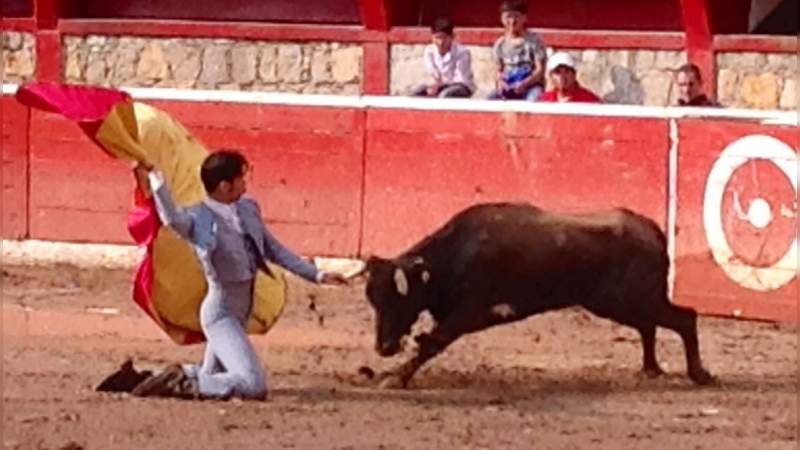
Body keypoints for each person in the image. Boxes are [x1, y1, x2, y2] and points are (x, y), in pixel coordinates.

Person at [131, 150, 347, 400]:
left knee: (212, 376)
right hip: (220, 315)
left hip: (241, 311)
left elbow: (272, 249)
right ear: (225, 186)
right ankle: (183, 376)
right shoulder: (197, 218)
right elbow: (171, 218)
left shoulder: (247, 208)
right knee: (252, 385)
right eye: (241, 179)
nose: (245, 184)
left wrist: (317, 275)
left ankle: (153, 378)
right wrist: (157, 178)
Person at [488, 0, 547, 101]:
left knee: (534, 99)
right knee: (489, 101)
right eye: (508, 17)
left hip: (530, 87)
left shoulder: (534, 41)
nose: (512, 21)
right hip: (508, 87)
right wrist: (501, 82)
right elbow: (498, 70)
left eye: (516, 16)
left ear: (524, 18)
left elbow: (540, 70)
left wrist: (524, 84)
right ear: (502, 19)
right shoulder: (500, 44)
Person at [411, 17, 475, 98]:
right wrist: (433, 85)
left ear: (452, 36)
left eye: (444, 38)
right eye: (437, 38)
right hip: (438, 85)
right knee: (416, 93)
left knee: (444, 95)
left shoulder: (461, 52)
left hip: (460, 86)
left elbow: (459, 79)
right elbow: (431, 72)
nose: (440, 42)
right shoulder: (429, 51)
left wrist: (440, 86)